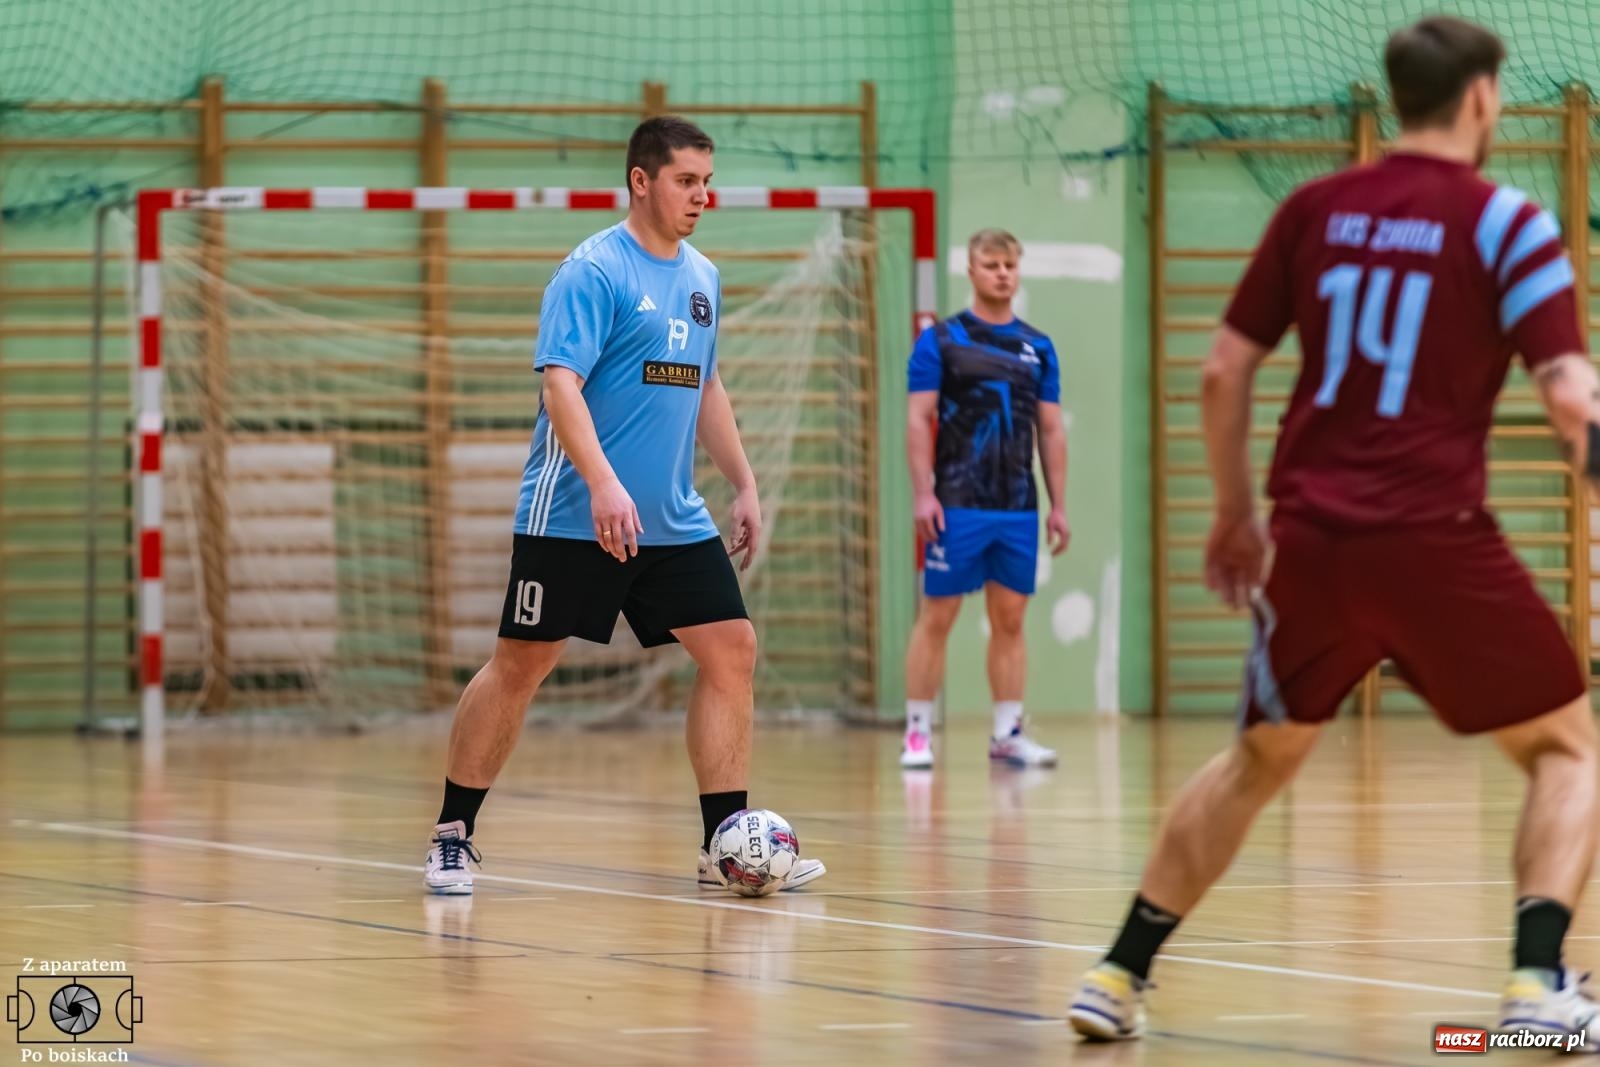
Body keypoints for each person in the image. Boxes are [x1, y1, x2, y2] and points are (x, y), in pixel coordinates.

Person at [1068, 16, 1600, 1040]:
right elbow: (1571, 394)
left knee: (1257, 757)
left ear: (1399, 98)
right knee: (1567, 748)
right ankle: (1537, 984)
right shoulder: (1507, 224)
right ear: (1483, 98)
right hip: (1435, 538)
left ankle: (1116, 973)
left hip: (1309, 539)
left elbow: (1222, 368)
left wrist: (1234, 515)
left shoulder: (1314, 210)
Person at [421, 115, 825, 896]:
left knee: (732, 648)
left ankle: (723, 844)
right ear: (641, 181)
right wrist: (604, 481)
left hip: (669, 518)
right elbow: (560, 384)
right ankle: (451, 833)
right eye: (686, 180)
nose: (701, 196)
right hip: (573, 513)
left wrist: (741, 481)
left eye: (708, 182)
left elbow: (706, 386)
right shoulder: (592, 270)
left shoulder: (703, 277)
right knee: (520, 667)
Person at [900, 229, 1071, 770]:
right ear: (971, 271)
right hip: (956, 502)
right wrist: (924, 494)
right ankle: (918, 733)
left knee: (1012, 618)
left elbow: (1051, 430)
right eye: (990, 264)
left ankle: (1008, 733)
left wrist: (1058, 505)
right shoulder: (942, 341)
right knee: (938, 614)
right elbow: (917, 417)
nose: (1001, 273)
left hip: (1017, 506)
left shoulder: (1038, 346)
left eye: (1009, 265)